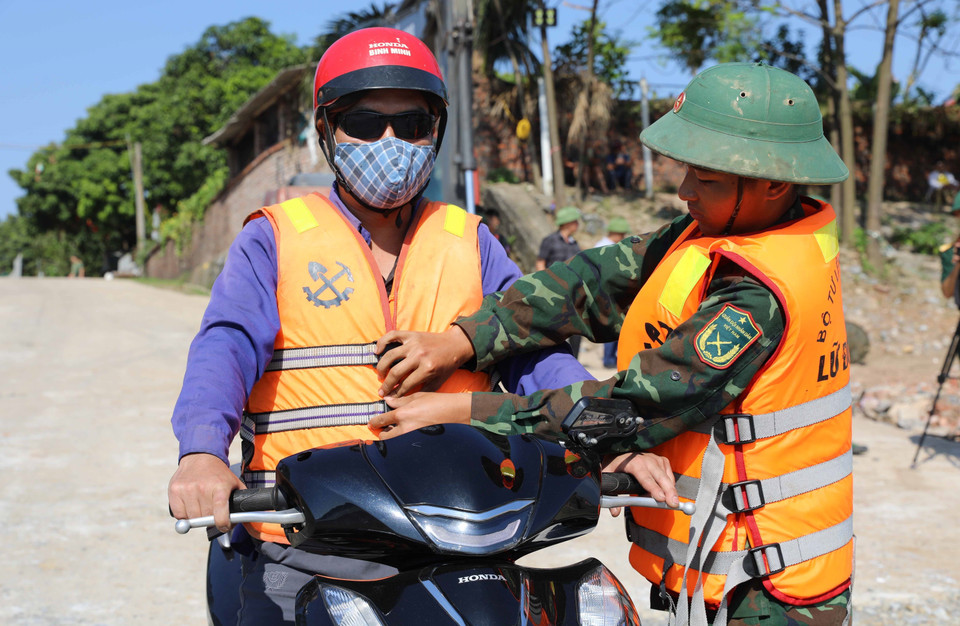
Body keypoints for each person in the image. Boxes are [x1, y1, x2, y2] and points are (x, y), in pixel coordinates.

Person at [371, 63, 854, 625]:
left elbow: (625, 409)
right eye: (686, 171)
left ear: (774, 184)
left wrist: (465, 409)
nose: (684, 191)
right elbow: (587, 283)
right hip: (727, 567)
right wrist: (463, 341)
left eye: (708, 179)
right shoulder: (710, 234)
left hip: (767, 584)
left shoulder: (754, 302)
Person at [166, 27, 591, 624]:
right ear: (326, 133)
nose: (391, 141)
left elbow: (535, 351)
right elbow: (226, 346)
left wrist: (601, 429)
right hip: (304, 539)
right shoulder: (276, 237)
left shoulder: (470, 241)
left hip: (462, 535)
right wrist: (202, 452)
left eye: (412, 125)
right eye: (365, 124)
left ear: (435, 132)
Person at [537, 205, 583, 357]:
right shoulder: (549, 241)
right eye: (575, 221)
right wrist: (544, 285)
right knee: (555, 326)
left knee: (577, 327)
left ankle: (574, 358)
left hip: (572, 292)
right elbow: (541, 263)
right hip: (553, 290)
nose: (577, 224)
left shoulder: (574, 244)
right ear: (567, 222)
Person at [594, 217, 631, 368]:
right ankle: (608, 359)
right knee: (611, 326)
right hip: (605, 292)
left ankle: (613, 357)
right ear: (616, 233)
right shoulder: (604, 247)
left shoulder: (611, 246)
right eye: (622, 234)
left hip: (614, 292)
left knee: (618, 326)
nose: (623, 237)